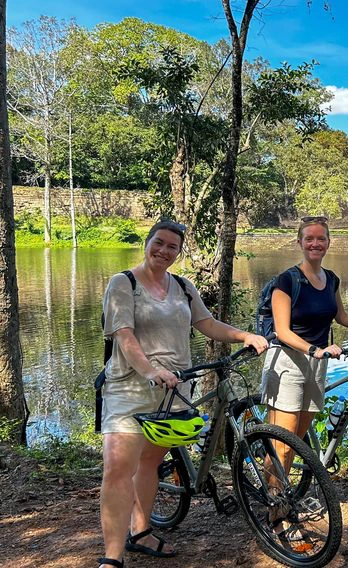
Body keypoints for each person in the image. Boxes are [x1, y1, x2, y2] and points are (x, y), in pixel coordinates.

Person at [98, 220, 269, 568]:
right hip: (129, 387)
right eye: (158, 243)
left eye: (171, 247)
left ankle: (141, 531)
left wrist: (243, 336)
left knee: (150, 461)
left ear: (179, 252)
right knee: (118, 468)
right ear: (147, 242)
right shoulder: (123, 284)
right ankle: (112, 558)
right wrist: (149, 370)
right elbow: (124, 336)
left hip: (176, 388)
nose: (163, 251)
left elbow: (206, 323)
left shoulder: (182, 286)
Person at [262, 216, 348, 479]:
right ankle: (275, 509)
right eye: (309, 239)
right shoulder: (287, 281)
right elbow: (282, 332)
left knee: (298, 440)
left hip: (317, 364)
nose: (315, 244)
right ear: (300, 242)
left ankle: (279, 494)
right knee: (282, 444)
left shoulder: (331, 279)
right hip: (287, 363)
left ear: (328, 242)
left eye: (321, 239)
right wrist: (316, 349)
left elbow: (343, 317)